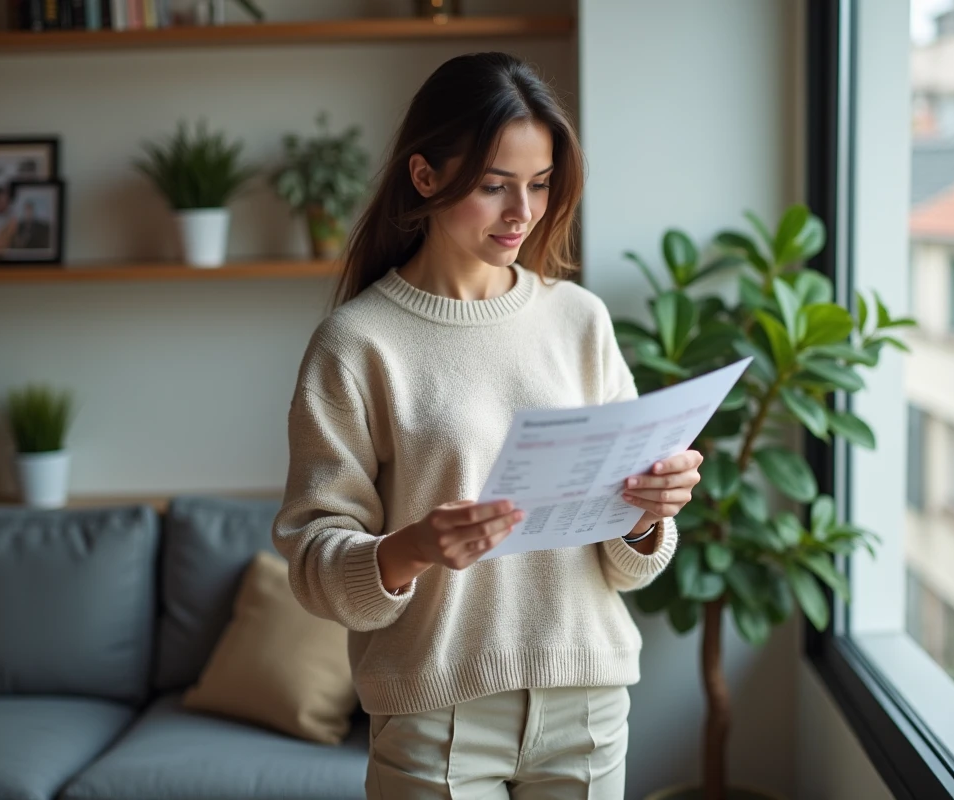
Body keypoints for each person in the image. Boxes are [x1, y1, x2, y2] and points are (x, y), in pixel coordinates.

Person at [271, 51, 703, 799]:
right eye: (494, 186)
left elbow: (626, 564)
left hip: (587, 704)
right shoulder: (357, 343)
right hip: (434, 715)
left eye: (540, 184)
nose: (522, 213)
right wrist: (412, 548)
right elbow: (313, 565)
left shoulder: (580, 320)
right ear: (424, 176)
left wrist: (647, 515)